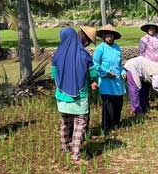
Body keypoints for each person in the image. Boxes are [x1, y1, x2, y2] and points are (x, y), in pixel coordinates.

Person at [51, 26, 98, 163]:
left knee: (65, 123)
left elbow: (53, 74)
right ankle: (76, 156)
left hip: (61, 98)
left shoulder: (57, 55)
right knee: (79, 125)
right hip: (79, 97)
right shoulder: (84, 55)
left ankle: (65, 148)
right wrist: (92, 81)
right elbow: (93, 73)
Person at [93, 24, 126, 134]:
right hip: (106, 82)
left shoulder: (117, 48)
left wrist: (123, 72)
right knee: (108, 106)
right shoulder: (99, 49)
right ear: (103, 37)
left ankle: (116, 124)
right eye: (107, 35)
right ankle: (106, 128)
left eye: (111, 35)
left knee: (118, 103)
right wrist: (106, 74)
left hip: (117, 82)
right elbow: (96, 65)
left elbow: (120, 65)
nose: (109, 37)